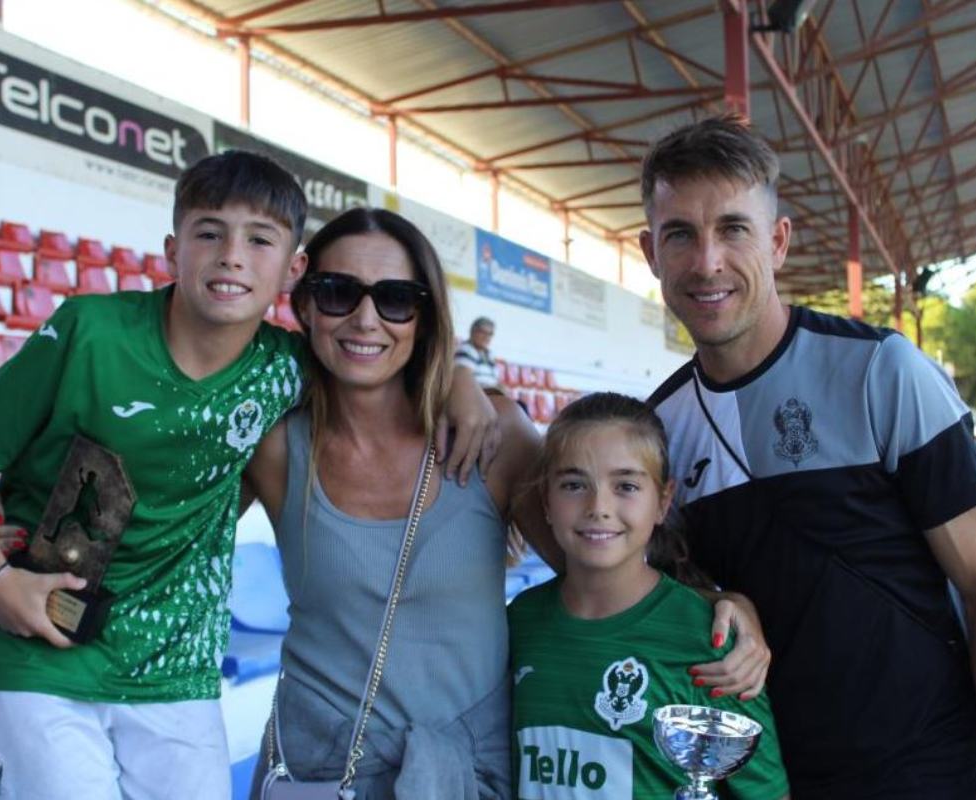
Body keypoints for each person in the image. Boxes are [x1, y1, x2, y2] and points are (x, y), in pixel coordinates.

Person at [0, 152, 498, 799]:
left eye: (259, 239)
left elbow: (375, 359)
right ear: (173, 250)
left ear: (293, 270)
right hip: (39, 648)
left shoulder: (287, 368)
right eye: (209, 233)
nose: (232, 255)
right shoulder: (91, 331)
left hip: (176, 669)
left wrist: (461, 380)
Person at [244, 208, 769, 799]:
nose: (366, 319)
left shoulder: (492, 435)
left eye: (396, 298)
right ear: (306, 304)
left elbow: (601, 566)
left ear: (425, 315)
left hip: (463, 774)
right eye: (338, 293)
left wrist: (719, 604)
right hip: (316, 767)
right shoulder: (271, 446)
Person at [638, 114, 976, 799]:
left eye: (733, 228)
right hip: (764, 779)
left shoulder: (882, 371)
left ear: (779, 241)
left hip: (922, 770)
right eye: (681, 234)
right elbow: (663, 594)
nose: (707, 262)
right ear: (650, 251)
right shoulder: (659, 429)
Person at [509, 392, 789, 800]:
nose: (598, 507)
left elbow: (768, 795)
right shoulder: (520, 622)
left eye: (625, 485)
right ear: (546, 501)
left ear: (662, 500)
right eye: (573, 484)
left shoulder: (710, 642)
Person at [455, 316, 500, 390]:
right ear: (472, 331)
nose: (487, 337)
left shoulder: (489, 354)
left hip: (491, 395)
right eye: (483, 332)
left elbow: (496, 380)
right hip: (476, 396)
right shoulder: (465, 350)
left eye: (490, 334)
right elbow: (465, 382)